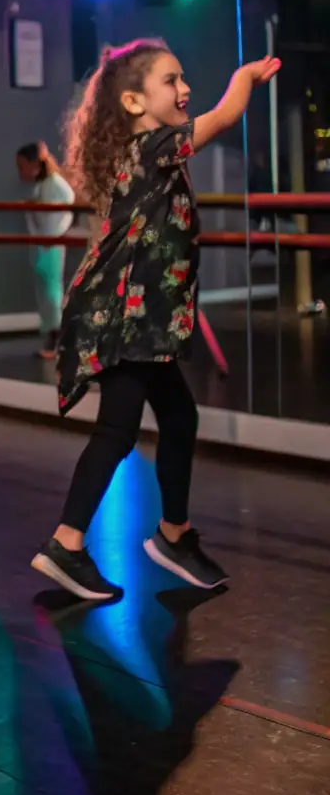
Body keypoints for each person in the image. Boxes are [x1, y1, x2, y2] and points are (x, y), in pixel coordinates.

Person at [32, 39, 281, 601]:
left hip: (141, 325)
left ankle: (173, 534)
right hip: (127, 324)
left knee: (179, 417)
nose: (184, 88)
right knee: (118, 430)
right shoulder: (151, 146)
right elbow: (221, 118)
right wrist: (243, 78)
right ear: (133, 102)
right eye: (171, 80)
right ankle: (66, 544)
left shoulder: (146, 153)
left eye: (183, 76)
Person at [16, 141, 76, 359]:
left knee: (51, 289)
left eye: (23, 165)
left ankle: (56, 337)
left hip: (50, 242)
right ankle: (53, 336)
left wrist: (54, 232)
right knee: (46, 288)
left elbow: (66, 203)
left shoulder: (54, 184)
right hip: (45, 241)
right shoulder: (44, 185)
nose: (20, 171)